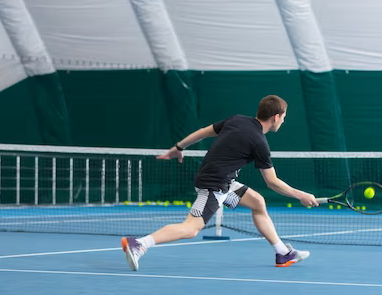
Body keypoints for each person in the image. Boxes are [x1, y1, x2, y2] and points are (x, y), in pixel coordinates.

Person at [121, 95, 319, 271]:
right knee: (191, 229)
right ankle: (139, 243)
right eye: (284, 117)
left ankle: (283, 253)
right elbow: (272, 182)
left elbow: (203, 132)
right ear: (276, 116)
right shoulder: (259, 142)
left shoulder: (237, 120)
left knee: (257, 202)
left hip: (222, 180)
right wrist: (301, 195)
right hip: (213, 185)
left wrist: (178, 147)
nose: (284, 120)